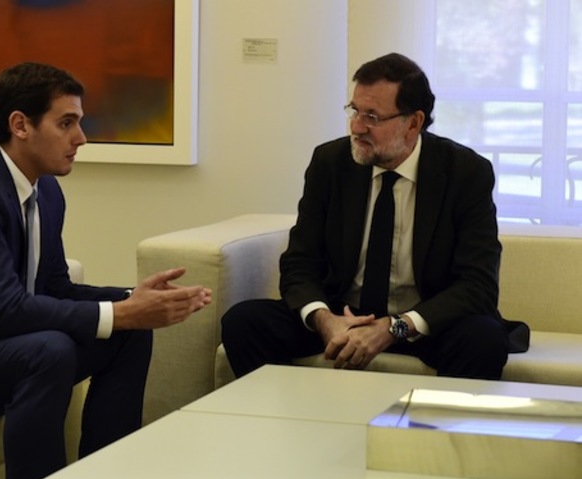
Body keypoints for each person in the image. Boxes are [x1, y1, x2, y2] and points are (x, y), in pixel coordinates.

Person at [0, 62, 212, 479]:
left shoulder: (45, 188)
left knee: (128, 333)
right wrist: (121, 311)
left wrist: (133, 301)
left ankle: (104, 475)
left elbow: (54, 286)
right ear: (20, 125)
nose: (81, 138)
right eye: (66, 123)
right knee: (48, 349)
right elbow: (4, 310)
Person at [222, 53, 529, 382]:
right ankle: (288, 426)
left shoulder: (465, 172)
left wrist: (395, 327)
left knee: (482, 340)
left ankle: (430, 434)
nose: (356, 127)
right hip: (343, 317)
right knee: (244, 321)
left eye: (372, 116)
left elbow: (478, 284)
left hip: (424, 324)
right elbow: (300, 263)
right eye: (354, 111)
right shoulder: (330, 163)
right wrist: (326, 321)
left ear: (413, 122)